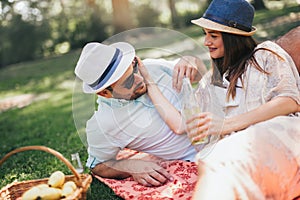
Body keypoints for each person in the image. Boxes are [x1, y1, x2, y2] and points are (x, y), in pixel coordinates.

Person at [174, 0, 300, 199]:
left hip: (282, 137)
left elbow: (289, 101)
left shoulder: (265, 55)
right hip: (245, 154)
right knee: (216, 161)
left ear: (234, 37)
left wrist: (227, 124)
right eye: (205, 34)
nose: (206, 42)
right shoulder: (213, 79)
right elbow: (183, 122)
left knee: (223, 159)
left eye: (213, 35)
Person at [74, 42, 206, 187]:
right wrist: (131, 166)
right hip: (198, 157)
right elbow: (97, 166)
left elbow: (200, 74)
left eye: (134, 69)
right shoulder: (103, 124)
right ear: (104, 93)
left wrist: (192, 61)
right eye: (128, 82)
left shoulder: (152, 68)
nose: (139, 79)